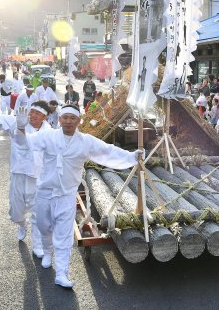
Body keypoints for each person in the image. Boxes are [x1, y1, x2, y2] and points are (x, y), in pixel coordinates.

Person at [15, 103, 141, 288]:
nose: (68, 121)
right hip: (44, 192)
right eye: (65, 117)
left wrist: (132, 156)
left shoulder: (86, 141)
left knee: (64, 234)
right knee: (44, 225)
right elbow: (26, 144)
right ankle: (47, 251)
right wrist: (19, 128)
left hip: (66, 194)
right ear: (60, 119)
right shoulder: (48, 136)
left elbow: (108, 151)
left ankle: (62, 273)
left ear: (78, 121)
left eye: (72, 118)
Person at [0, 85, 51, 258]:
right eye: (32, 112)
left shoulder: (49, 132)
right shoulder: (16, 121)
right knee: (15, 212)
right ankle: (21, 224)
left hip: (37, 178)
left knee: (38, 213)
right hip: (18, 174)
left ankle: (37, 245)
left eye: (38, 114)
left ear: (45, 117)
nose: (33, 116)